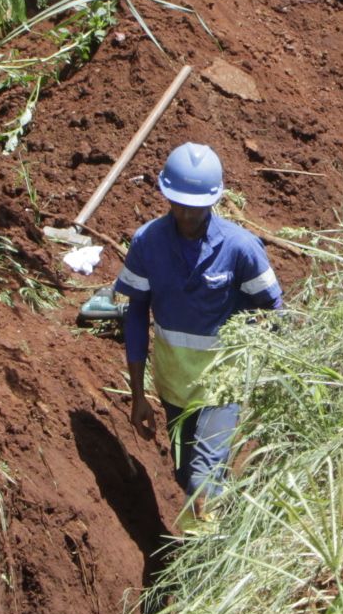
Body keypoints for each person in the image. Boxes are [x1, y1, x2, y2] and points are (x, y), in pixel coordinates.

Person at [117, 142, 283, 510]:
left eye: (196, 206)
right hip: (174, 386)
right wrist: (138, 395)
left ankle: (207, 560)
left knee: (202, 480)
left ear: (214, 201)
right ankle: (230, 530)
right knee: (186, 476)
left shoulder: (240, 248)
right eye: (179, 204)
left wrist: (261, 377)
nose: (187, 214)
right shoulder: (148, 243)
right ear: (165, 196)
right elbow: (135, 315)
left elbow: (273, 310)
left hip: (222, 386)